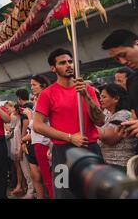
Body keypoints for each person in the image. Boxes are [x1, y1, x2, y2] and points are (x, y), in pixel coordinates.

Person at [33, 48, 105, 199]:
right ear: (53, 68)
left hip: (90, 148)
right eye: (63, 63)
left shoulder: (88, 89)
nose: (68, 65)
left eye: (70, 61)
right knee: (63, 192)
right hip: (62, 151)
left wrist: (86, 95)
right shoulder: (47, 94)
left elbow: (100, 120)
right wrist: (70, 137)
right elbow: (38, 125)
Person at [102, 30, 138, 136]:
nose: (123, 62)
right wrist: (128, 126)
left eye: (123, 54)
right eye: (117, 59)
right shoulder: (132, 81)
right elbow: (134, 115)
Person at [97, 83, 137, 170]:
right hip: (110, 165)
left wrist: (87, 124)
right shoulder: (108, 114)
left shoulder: (124, 114)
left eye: (104, 97)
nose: (100, 100)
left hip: (121, 166)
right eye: (100, 97)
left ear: (116, 98)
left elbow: (109, 138)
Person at [27, 75, 53, 199]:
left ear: (43, 85)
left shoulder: (44, 98)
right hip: (41, 141)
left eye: (34, 84)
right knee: (46, 176)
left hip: (43, 141)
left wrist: (29, 116)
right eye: (31, 85)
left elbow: (37, 124)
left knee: (48, 177)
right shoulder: (40, 99)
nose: (32, 87)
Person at [15, 89, 34, 199]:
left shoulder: (24, 109)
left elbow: (26, 123)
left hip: (27, 142)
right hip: (34, 141)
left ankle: (30, 192)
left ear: (19, 98)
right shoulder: (32, 105)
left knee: (27, 170)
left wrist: (22, 141)